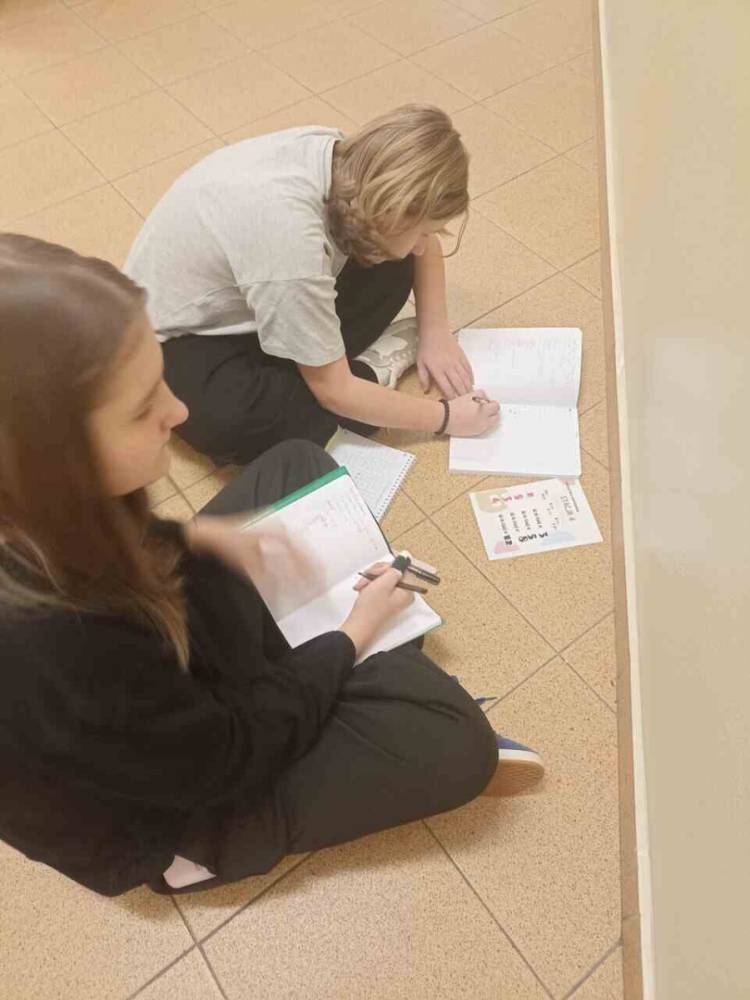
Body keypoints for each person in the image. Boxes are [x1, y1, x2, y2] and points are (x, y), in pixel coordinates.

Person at [0, 236, 542, 898]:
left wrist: (203, 540)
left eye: (161, 379)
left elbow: (121, 540)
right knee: (460, 745)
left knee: (297, 465)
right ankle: (206, 853)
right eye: (143, 408)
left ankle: (371, 676)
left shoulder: (38, 504)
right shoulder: (55, 641)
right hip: (180, 806)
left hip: (165, 685)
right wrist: (349, 638)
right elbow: (225, 755)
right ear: (49, 460)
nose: (178, 411)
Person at [125, 104, 499, 467]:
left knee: (398, 262)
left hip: (252, 289)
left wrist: (435, 332)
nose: (424, 245)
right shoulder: (289, 241)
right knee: (227, 424)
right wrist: (446, 417)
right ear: (396, 212)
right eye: (425, 231)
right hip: (179, 337)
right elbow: (334, 392)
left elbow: (420, 247)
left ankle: (324, 367)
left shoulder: (350, 161)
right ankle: (372, 371)